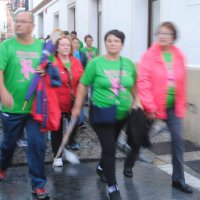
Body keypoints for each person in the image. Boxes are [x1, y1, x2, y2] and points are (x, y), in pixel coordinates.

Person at [72, 30, 141, 200]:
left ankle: (102, 167)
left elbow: (133, 83)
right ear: (105, 43)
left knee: (109, 145)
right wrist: (78, 105)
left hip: (122, 113)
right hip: (102, 113)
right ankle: (112, 187)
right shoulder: (95, 63)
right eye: (109, 40)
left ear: (122, 44)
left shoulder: (128, 63)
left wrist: (137, 99)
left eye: (116, 41)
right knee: (110, 148)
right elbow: (83, 84)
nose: (112, 43)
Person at [137, 22, 193, 194]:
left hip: (172, 107)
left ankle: (178, 179)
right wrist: (149, 105)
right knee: (138, 139)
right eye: (160, 32)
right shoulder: (150, 55)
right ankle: (129, 163)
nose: (162, 36)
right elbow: (143, 81)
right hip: (153, 106)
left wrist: (182, 101)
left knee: (178, 142)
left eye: (166, 33)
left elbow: (180, 81)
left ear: (173, 37)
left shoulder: (179, 56)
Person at [0, 12, 49, 199]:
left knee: (37, 145)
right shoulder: (6, 46)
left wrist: (46, 71)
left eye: (23, 21)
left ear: (32, 26)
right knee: (8, 145)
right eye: (16, 21)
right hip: (12, 107)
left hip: (35, 107)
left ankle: (39, 184)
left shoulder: (42, 47)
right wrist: (3, 92)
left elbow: (50, 70)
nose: (18, 24)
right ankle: (3, 165)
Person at [50, 35, 83, 167]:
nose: (65, 47)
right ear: (57, 47)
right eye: (62, 44)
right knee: (56, 130)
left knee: (74, 125)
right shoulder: (52, 62)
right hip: (56, 102)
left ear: (71, 48)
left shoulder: (76, 62)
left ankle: (67, 144)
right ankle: (57, 156)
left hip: (73, 102)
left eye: (67, 45)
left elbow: (82, 80)